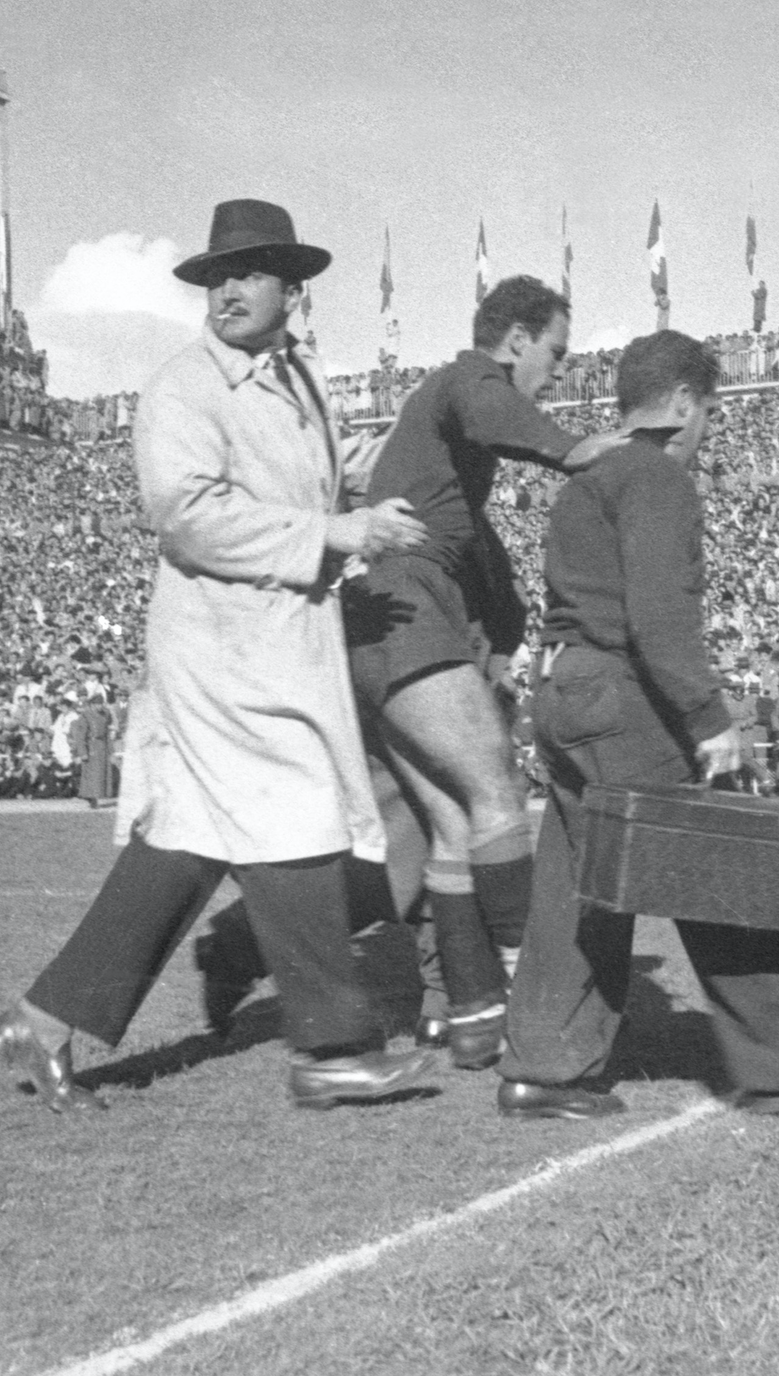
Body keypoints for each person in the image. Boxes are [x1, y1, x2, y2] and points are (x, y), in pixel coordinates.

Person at [0, 199, 436, 1114]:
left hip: (274, 641)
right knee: (296, 817)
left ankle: (39, 1020)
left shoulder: (298, 378)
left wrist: (429, 437)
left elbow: (333, 464)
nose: (229, 289)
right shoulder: (184, 387)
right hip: (222, 648)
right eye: (218, 275)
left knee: (188, 844)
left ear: (290, 290)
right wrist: (337, 531)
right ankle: (335, 1048)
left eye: (251, 272)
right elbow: (187, 517)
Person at [497, 330, 779, 1119]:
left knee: (575, 886)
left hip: (565, 687)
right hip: (623, 693)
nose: (706, 432)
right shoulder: (657, 478)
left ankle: (543, 1065)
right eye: (707, 411)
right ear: (680, 403)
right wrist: (709, 718)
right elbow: (659, 616)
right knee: (718, 868)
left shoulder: (590, 478)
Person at [331, 275, 624, 1067]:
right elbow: (490, 409)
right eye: (555, 354)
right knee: (495, 791)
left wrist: (501, 639)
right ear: (518, 338)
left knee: (456, 825)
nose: (559, 371)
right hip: (398, 604)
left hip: (374, 618)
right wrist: (571, 450)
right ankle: (534, 989)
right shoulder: (467, 378)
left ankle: (469, 1019)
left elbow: (487, 561)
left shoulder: (450, 481)